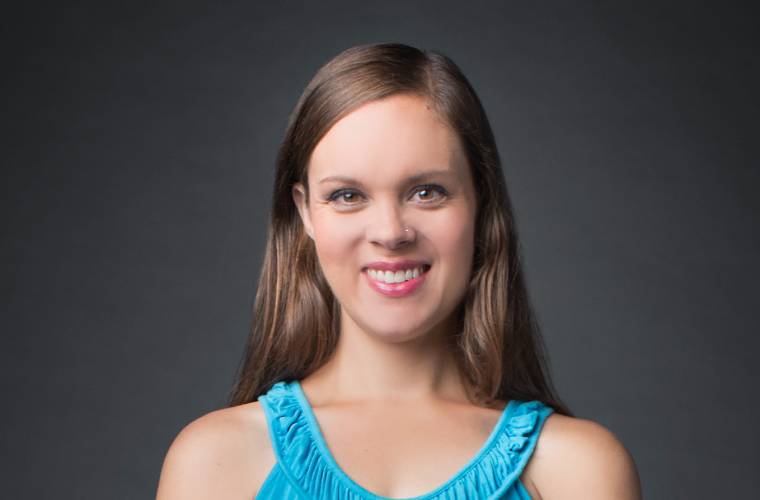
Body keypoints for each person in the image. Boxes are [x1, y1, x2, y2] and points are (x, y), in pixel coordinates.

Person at [156, 43, 642, 499]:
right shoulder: (215, 462)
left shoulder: (577, 469)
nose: (391, 232)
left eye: (427, 192)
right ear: (305, 212)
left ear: (480, 202)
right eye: (347, 195)